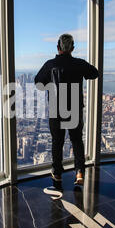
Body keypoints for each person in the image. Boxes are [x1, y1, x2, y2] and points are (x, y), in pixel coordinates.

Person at [35, 33, 99, 187]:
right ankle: (79, 173)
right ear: (73, 48)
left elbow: (38, 83)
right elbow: (94, 73)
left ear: (58, 47)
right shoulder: (79, 64)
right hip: (75, 109)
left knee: (57, 141)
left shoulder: (50, 65)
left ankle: (57, 174)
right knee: (76, 141)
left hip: (56, 109)